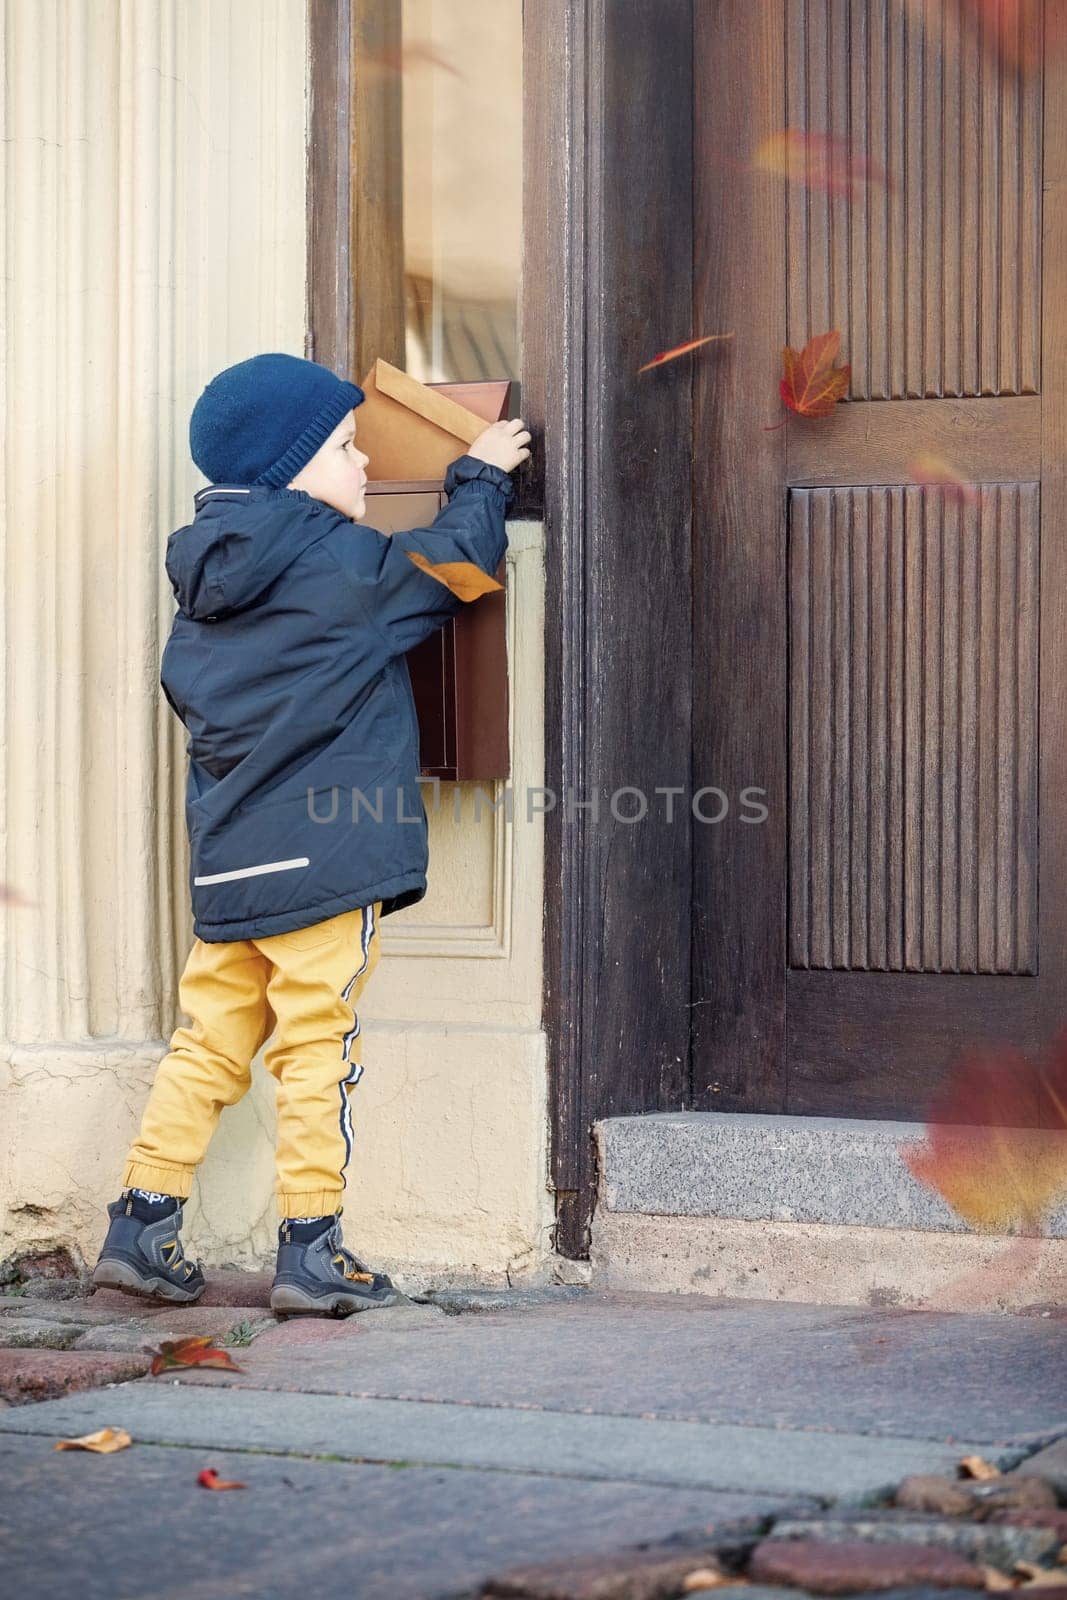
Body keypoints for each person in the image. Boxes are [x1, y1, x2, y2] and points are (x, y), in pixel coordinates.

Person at [92, 352, 531, 1316]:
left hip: (232, 863)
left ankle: (141, 1220)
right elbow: (450, 569)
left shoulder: (204, 588)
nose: (365, 464)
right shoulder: (336, 563)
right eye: (344, 448)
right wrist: (483, 475)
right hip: (325, 863)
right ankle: (311, 1245)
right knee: (316, 1048)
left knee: (207, 1042)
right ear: (289, 470)